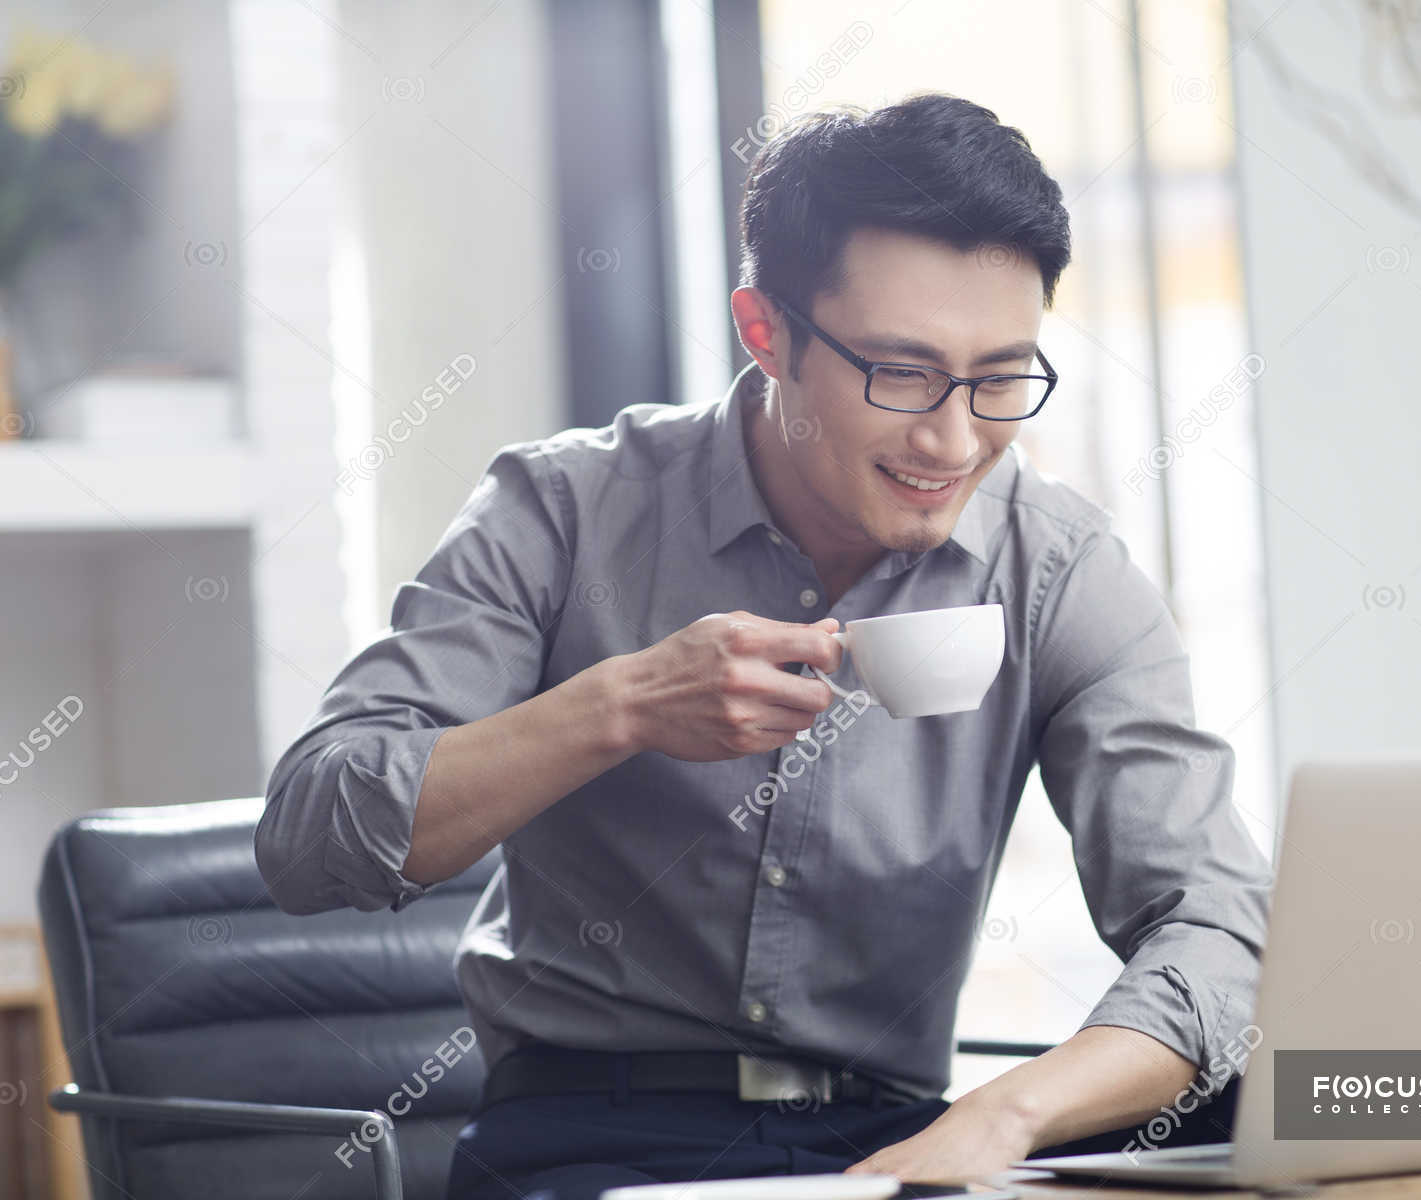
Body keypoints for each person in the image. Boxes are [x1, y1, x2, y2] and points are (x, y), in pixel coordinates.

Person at [255, 92, 1271, 1197]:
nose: (953, 437)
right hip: (589, 1137)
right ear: (766, 331)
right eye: (902, 372)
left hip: (891, 1143)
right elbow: (310, 837)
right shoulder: (565, 510)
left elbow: (1219, 928)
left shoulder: (1057, 566)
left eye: (998, 378)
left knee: (1300, 1103)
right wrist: (622, 707)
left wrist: (1010, 1114)